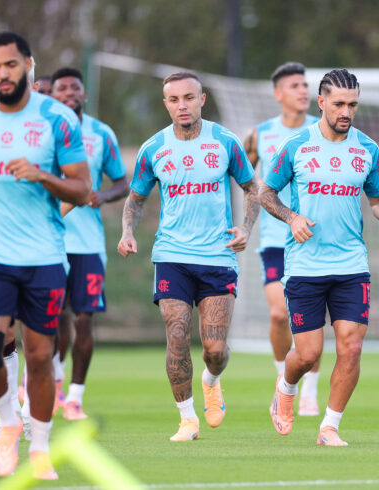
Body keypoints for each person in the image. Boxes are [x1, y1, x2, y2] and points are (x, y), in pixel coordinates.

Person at [0, 32, 89, 479]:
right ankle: (9, 421)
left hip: (44, 255)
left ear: (28, 65)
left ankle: (41, 449)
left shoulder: (57, 118)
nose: (3, 74)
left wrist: (42, 175)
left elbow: (82, 189)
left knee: (40, 357)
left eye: (10, 65)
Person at [118, 72, 259, 441]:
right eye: (174, 99)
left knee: (215, 349)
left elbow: (252, 188)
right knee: (177, 334)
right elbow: (135, 199)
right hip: (172, 256)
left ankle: (211, 379)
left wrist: (245, 228)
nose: (182, 105)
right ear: (166, 103)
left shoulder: (225, 142)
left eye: (189, 97)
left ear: (202, 100)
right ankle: (187, 420)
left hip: (218, 257)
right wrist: (128, 232)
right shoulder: (154, 148)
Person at [260, 69, 379, 446]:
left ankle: (329, 427)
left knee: (351, 346)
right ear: (321, 103)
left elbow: (378, 197)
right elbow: (266, 194)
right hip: (305, 265)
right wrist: (292, 217)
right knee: (308, 354)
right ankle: (286, 388)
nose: (346, 111)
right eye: (338, 104)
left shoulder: (367, 149)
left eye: (352, 104)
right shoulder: (296, 146)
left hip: (352, 265)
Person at [50, 66, 129, 421]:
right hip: (49, 241)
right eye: (62, 88)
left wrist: (103, 195)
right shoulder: (42, 130)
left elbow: (121, 182)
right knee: (52, 318)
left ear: (83, 93)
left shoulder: (101, 134)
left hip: (88, 244)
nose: (69, 93)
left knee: (84, 320)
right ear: (52, 94)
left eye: (74, 87)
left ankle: (75, 398)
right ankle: (53, 383)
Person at [243, 62, 321, 416]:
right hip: (276, 239)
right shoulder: (259, 135)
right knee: (278, 314)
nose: (303, 91)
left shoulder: (321, 130)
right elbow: (246, 180)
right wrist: (245, 225)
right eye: (294, 86)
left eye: (305, 85)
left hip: (312, 238)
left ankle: (310, 392)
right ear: (278, 94)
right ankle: (283, 379)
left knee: (311, 320)